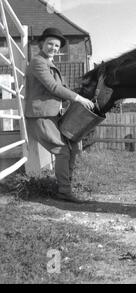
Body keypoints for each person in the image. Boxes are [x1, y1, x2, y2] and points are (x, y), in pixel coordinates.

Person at [25, 27, 94, 203]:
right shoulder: (38, 62)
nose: (53, 48)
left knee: (75, 145)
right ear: (42, 44)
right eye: (50, 43)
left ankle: (67, 184)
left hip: (53, 114)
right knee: (62, 151)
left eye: (56, 46)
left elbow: (59, 89)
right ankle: (64, 191)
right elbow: (54, 88)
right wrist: (78, 98)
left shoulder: (49, 63)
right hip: (40, 116)